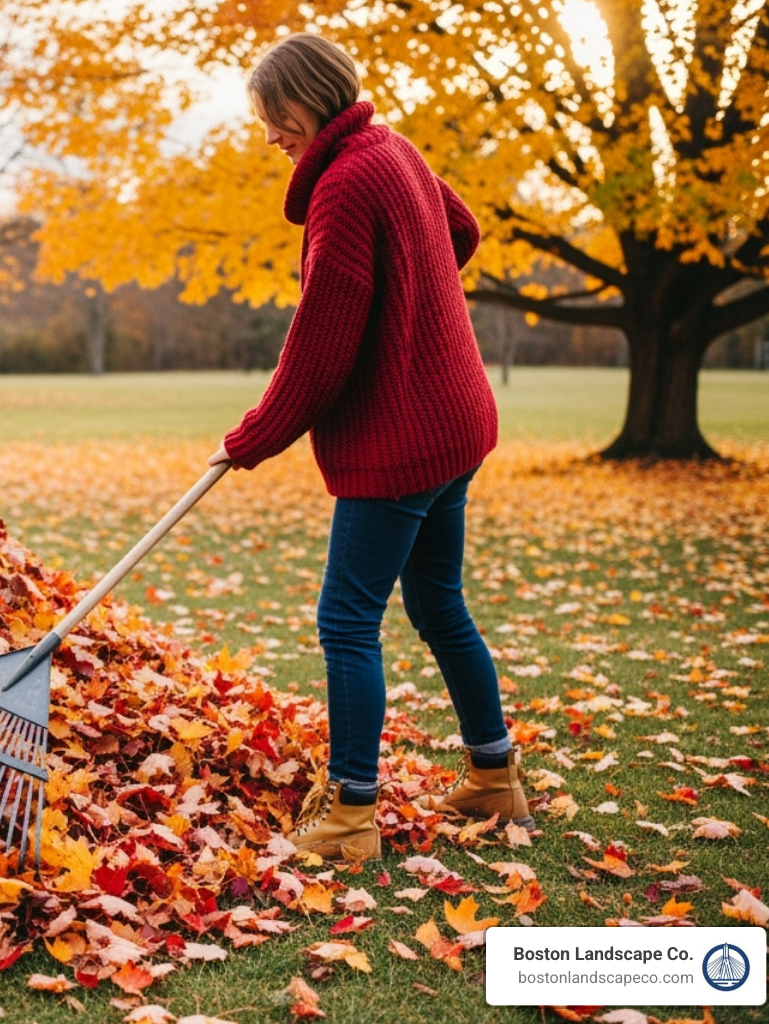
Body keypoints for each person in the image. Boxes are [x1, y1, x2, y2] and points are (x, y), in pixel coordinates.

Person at [208, 33, 532, 860]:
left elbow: (320, 344)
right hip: (455, 420)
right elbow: (458, 231)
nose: (270, 134)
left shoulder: (346, 185)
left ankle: (351, 813)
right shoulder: (392, 148)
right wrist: (409, 298)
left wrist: (253, 439)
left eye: (276, 117)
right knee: (436, 604)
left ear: (312, 99)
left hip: (403, 438)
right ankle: (494, 776)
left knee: (347, 620)